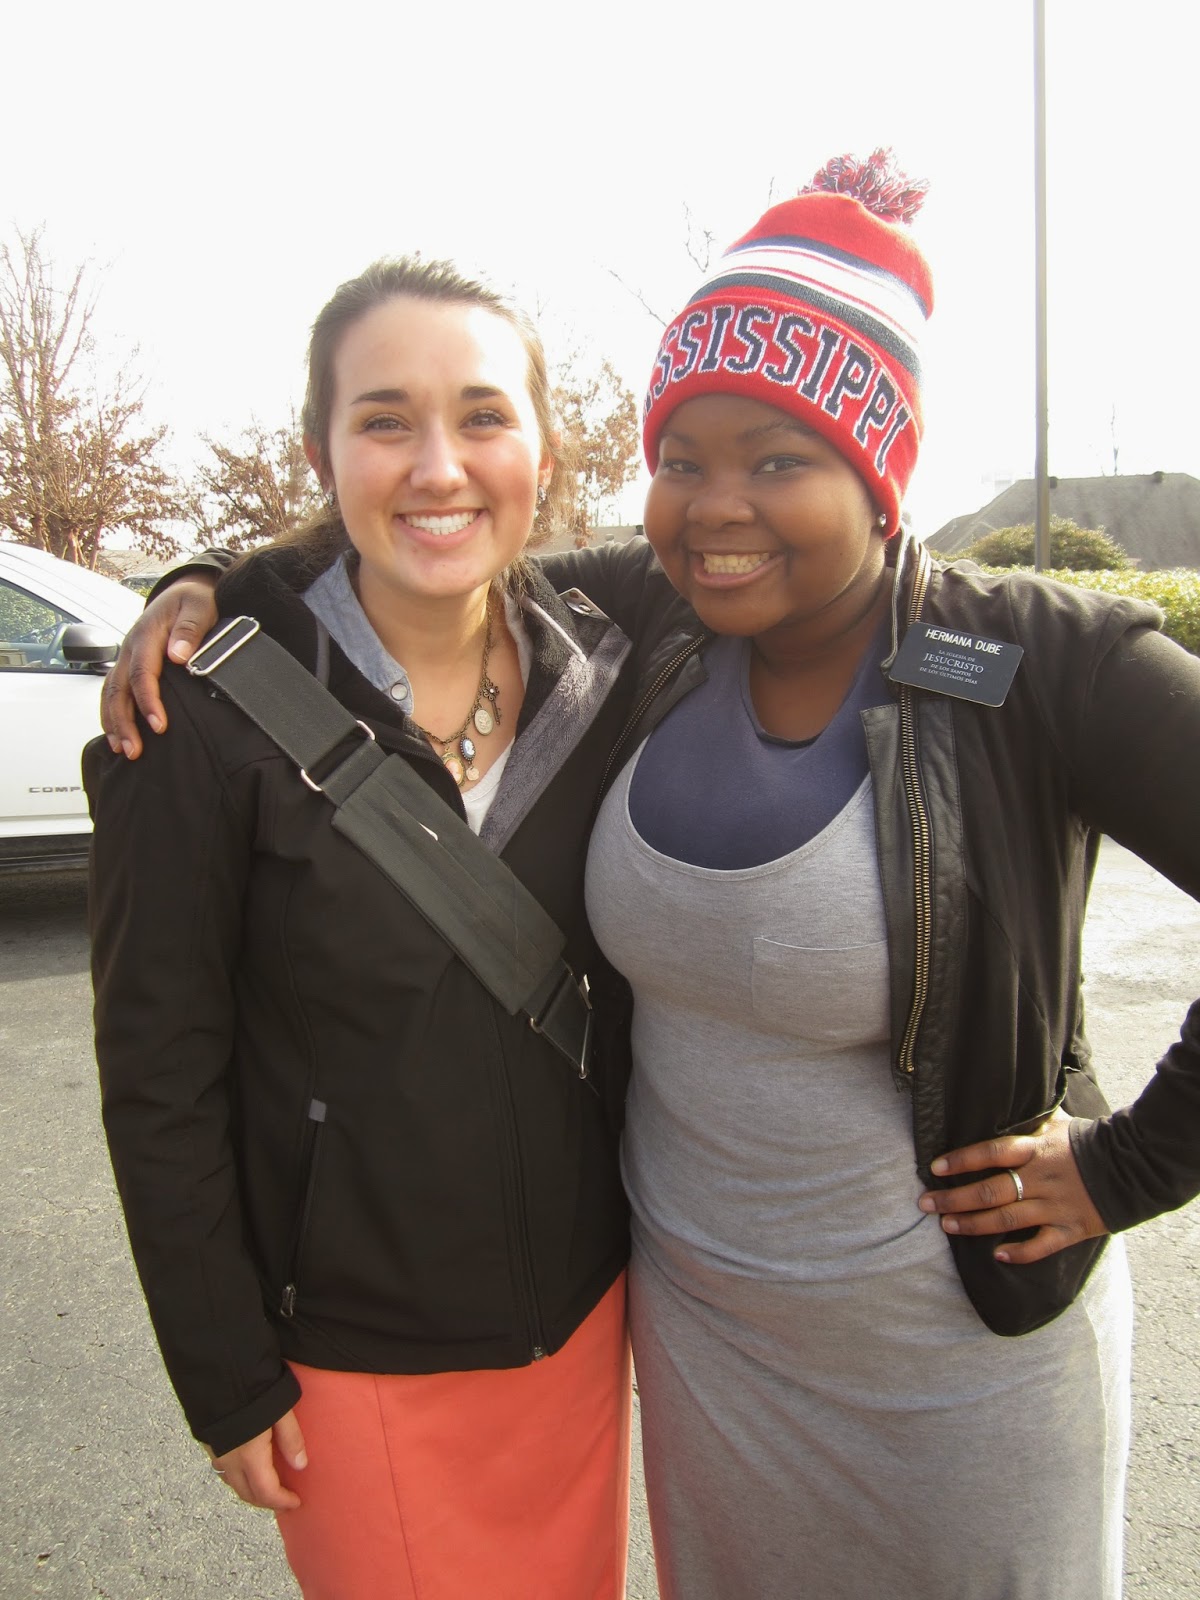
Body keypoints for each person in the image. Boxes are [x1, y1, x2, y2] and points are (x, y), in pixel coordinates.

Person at [101, 154, 1200, 1600]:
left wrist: (1126, 1169)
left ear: (878, 468)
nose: (718, 506)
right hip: (702, 1357)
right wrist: (205, 581)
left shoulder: (1040, 663)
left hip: (958, 1371)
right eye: (684, 458)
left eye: (780, 457)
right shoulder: (662, 624)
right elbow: (427, 531)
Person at [85, 257, 638, 1600]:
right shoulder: (203, 723)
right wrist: (223, 1368)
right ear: (319, 452)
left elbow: (790, 542)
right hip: (355, 1361)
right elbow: (158, 1072)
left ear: (545, 448)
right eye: (384, 421)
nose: (439, 466)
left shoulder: (614, 658)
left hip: (587, 1329)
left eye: (483, 416)